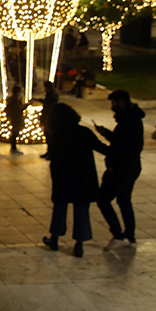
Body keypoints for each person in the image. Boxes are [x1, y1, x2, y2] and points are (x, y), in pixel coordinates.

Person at [42, 103, 109, 258]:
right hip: (83, 178)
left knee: (60, 208)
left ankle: (55, 238)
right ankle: (79, 245)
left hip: (64, 178)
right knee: (81, 211)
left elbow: (55, 158)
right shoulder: (84, 132)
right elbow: (102, 149)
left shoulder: (58, 135)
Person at [96, 89, 144, 251]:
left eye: (114, 103)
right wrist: (106, 134)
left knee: (103, 200)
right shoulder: (131, 119)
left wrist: (112, 165)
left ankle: (118, 235)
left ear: (121, 102)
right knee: (124, 201)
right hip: (131, 167)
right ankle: (130, 237)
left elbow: (122, 147)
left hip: (121, 169)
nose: (112, 106)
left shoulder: (128, 122)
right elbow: (120, 142)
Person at [39, 80, 60, 159]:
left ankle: (51, 153)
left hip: (50, 118)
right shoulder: (52, 94)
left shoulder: (52, 96)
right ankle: (49, 152)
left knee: (50, 137)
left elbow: (48, 105)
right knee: (48, 136)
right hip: (48, 117)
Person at [6, 85, 25, 155]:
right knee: (15, 133)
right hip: (16, 118)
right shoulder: (15, 100)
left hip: (13, 118)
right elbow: (19, 109)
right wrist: (26, 105)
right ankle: (13, 148)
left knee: (14, 132)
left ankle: (13, 147)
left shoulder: (11, 99)